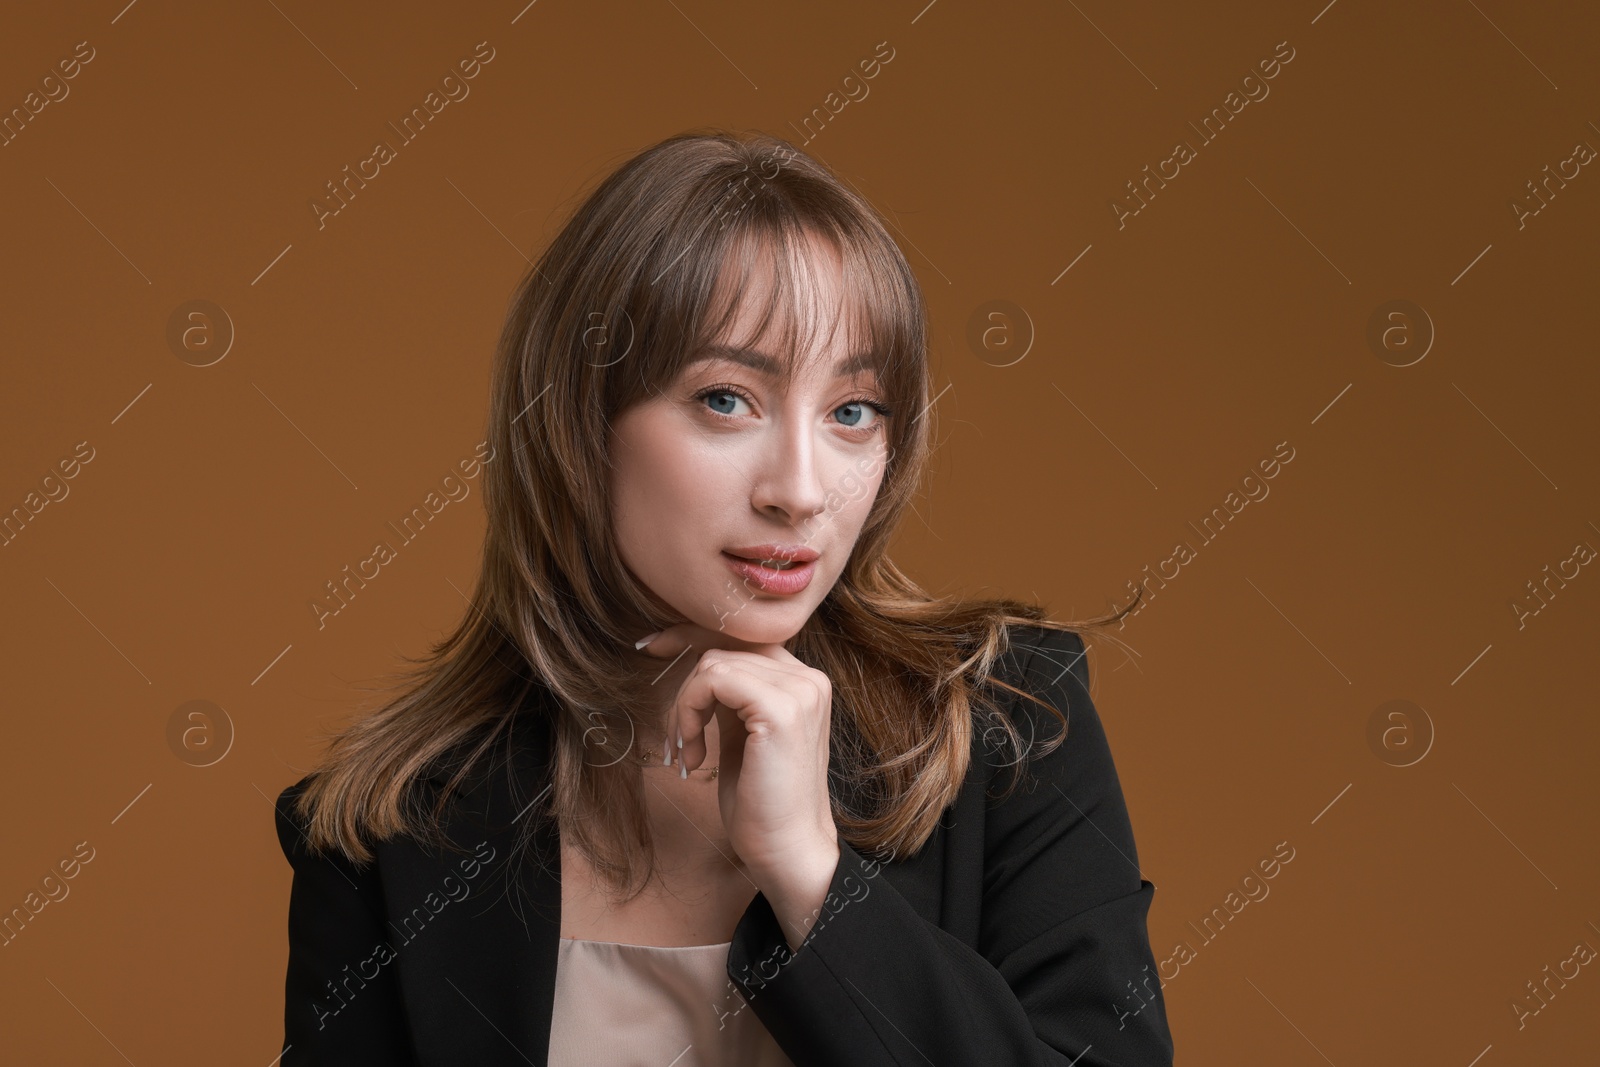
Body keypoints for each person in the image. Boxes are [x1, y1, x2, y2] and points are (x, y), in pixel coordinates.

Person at [273, 128, 1174, 1066]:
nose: (800, 488)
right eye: (727, 398)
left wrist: (819, 883)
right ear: (582, 420)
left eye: (851, 412)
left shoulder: (1008, 721)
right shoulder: (387, 830)